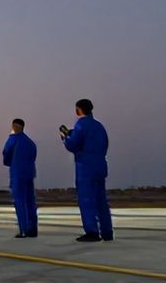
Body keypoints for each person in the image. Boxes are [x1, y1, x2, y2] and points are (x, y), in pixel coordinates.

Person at [61, 98, 112, 242]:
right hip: (100, 165)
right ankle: (107, 232)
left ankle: (92, 231)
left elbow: (73, 144)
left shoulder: (81, 124)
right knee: (101, 200)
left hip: (86, 166)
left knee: (87, 199)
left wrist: (65, 138)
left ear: (78, 110)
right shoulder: (99, 126)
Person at [2, 118, 38, 238]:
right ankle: (33, 229)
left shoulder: (12, 139)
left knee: (20, 202)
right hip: (29, 174)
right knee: (30, 202)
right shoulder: (30, 142)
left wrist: (10, 162)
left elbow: (6, 154)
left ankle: (24, 229)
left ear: (14, 127)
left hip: (17, 174)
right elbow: (33, 156)